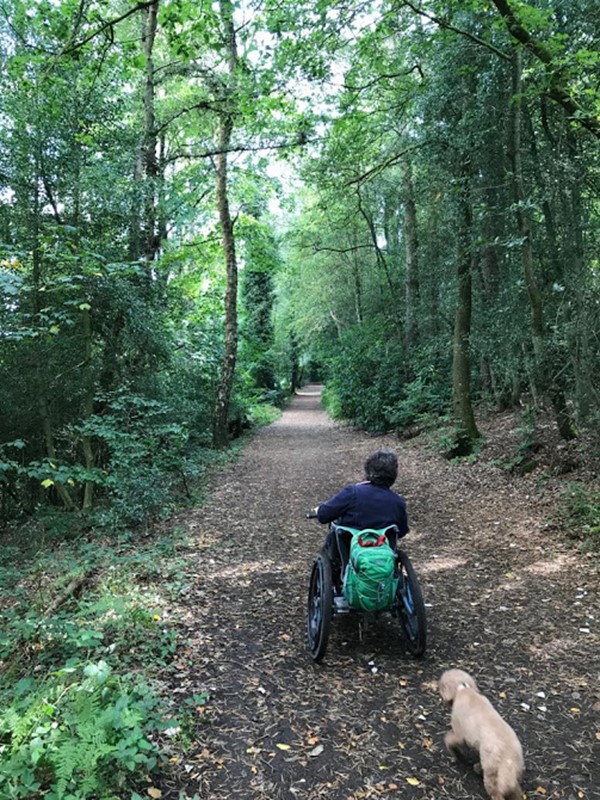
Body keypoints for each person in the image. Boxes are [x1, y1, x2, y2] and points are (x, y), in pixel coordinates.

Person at [314, 448, 409, 578]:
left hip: (350, 551)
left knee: (334, 532)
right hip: (383, 551)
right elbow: (402, 531)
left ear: (369, 472)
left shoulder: (353, 493)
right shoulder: (398, 502)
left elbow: (324, 515)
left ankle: (337, 575)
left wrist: (319, 511)